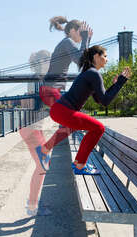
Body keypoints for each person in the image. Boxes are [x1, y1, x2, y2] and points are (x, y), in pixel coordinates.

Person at [48, 45, 131, 174]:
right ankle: (80, 165)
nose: (107, 60)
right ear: (96, 56)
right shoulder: (94, 74)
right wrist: (120, 82)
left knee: (96, 128)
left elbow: (100, 100)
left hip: (60, 110)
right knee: (98, 128)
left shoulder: (90, 73)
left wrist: (115, 85)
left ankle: (78, 163)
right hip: (63, 110)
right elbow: (105, 100)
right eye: (105, 56)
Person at [35, 16, 93, 171]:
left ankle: (45, 150)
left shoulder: (66, 44)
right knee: (74, 122)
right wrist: (85, 40)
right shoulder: (67, 42)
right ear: (73, 31)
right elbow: (81, 61)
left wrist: (85, 41)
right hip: (50, 90)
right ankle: (79, 163)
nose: (81, 36)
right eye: (81, 33)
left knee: (71, 125)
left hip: (51, 91)